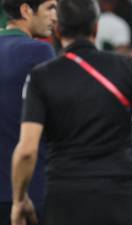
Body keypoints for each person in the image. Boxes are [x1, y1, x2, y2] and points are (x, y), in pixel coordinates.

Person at [10, 0, 132, 225]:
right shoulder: (128, 69)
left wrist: (20, 200)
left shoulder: (42, 76)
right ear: (96, 27)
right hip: (120, 193)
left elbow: (27, 150)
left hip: (65, 196)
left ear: (58, 30)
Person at [0, 0, 57, 224]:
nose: (55, 17)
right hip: (30, 191)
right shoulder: (40, 51)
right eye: (50, 8)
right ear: (26, 10)